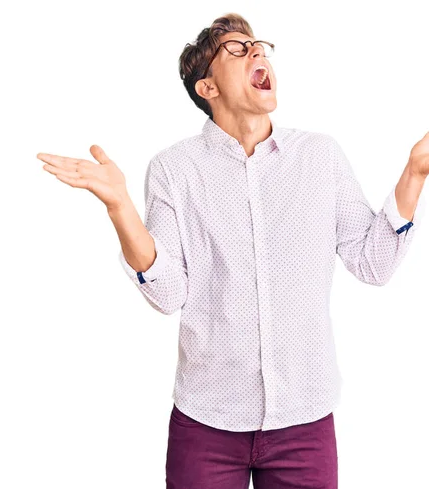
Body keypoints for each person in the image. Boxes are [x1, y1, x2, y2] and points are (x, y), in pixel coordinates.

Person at [36, 12, 429, 489]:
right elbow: (169, 294)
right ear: (208, 88)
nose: (258, 52)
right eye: (239, 50)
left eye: (259, 46)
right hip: (206, 422)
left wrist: (414, 174)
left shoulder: (320, 157)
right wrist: (120, 207)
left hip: (304, 420)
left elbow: (373, 263)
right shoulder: (173, 170)